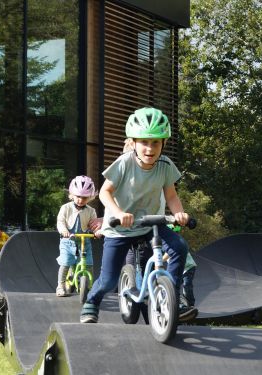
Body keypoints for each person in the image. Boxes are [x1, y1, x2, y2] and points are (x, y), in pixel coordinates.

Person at [80, 107, 191, 324]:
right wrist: (119, 213)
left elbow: (171, 195)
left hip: (151, 226)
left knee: (180, 247)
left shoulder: (166, 165)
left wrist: (179, 214)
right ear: (133, 143)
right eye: (144, 142)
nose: (150, 148)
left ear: (163, 144)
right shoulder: (124, 163)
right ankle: (92, 301)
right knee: (109, 279)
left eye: (156, 142)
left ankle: (174, 297)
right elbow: (104, 192)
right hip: (119, 229)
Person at [56, 176, 99, 297]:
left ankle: (89, 287)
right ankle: (60, 285)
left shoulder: (91, 211)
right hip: (67, 241)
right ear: (72, 195)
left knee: (89, 264)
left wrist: (97, 232)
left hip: (84, 242)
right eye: (78, 196)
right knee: (65, 263)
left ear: (89, 197)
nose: (80, 200)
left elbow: (94, 224)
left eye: (84, 197)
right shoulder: (66, 208)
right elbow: (60, 221)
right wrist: (64, 230)